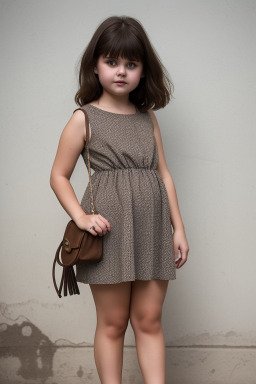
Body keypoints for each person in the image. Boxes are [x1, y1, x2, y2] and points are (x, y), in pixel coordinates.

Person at [50, 15, 189, 384]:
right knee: (112, 324)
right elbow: (58, 176)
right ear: (95, 66)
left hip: (152, 227)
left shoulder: (148, 118)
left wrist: (179, 229)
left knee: (149, 320)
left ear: (144, 70)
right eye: (112, 62)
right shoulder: (84, 119)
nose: (121, 71)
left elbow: (164, 174)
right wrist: (81, 218)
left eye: (131, 63)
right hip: (108, 233)